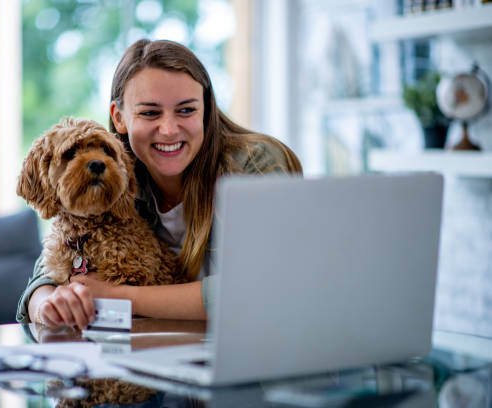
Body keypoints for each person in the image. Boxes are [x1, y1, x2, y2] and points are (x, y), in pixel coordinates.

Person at [16, 39, 302, 330]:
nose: (168, 129)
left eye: (186, 110)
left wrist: (121, 297)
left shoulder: (255, 164)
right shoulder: (121, 174)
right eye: (150, 113)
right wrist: (46, 303)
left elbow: (264, 289)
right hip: (170, 352)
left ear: (206, 109)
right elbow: (61, 252)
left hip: (261, 352)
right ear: (119, 117)